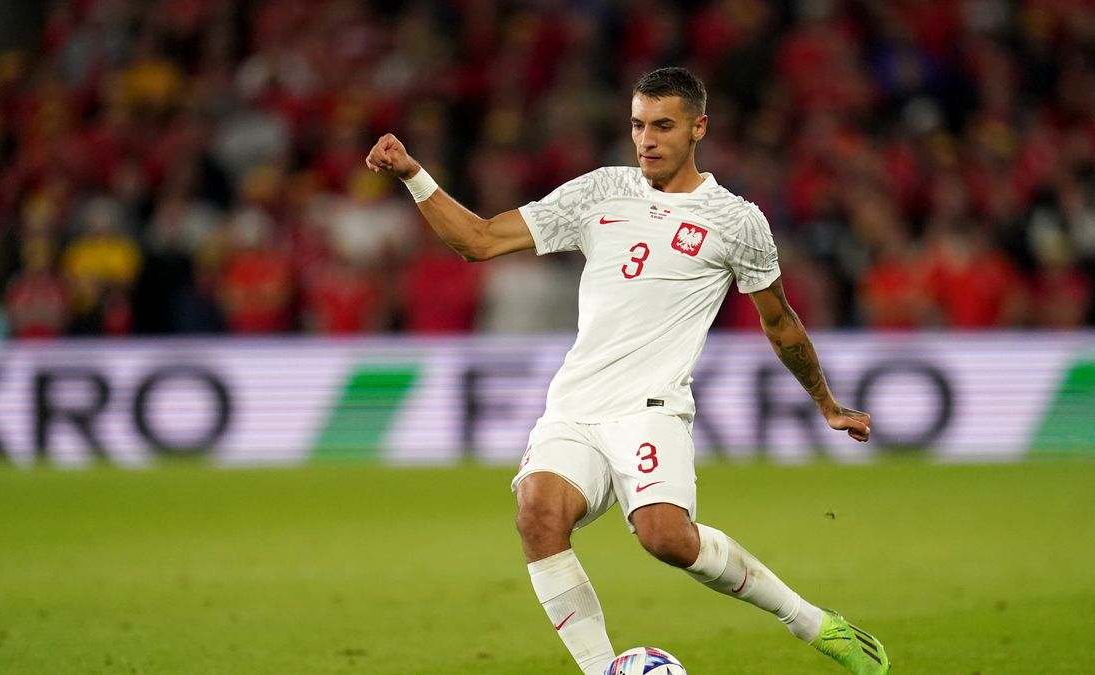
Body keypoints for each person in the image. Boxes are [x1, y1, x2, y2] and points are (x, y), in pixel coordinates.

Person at [367, 67, 890, 675]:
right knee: (538, 512)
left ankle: (813, 623)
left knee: (666, 538)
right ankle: (602, 670)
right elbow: (479, 241)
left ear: (698, 128)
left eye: (663, 126)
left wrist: (826, 402)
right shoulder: (601, 192)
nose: (647, 139)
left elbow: (781, 323)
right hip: (575, 408)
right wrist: (413, 174)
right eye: (638, 125)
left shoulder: (737, 220)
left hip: (652, 410)